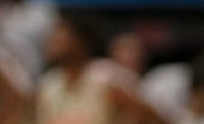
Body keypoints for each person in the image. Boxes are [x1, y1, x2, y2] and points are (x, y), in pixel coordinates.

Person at [36, 11, 168, 124]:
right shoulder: (49, 84)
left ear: (82, 38)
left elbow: (154, 117)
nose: (54, 38)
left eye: (61, 31)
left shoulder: (106, 78)